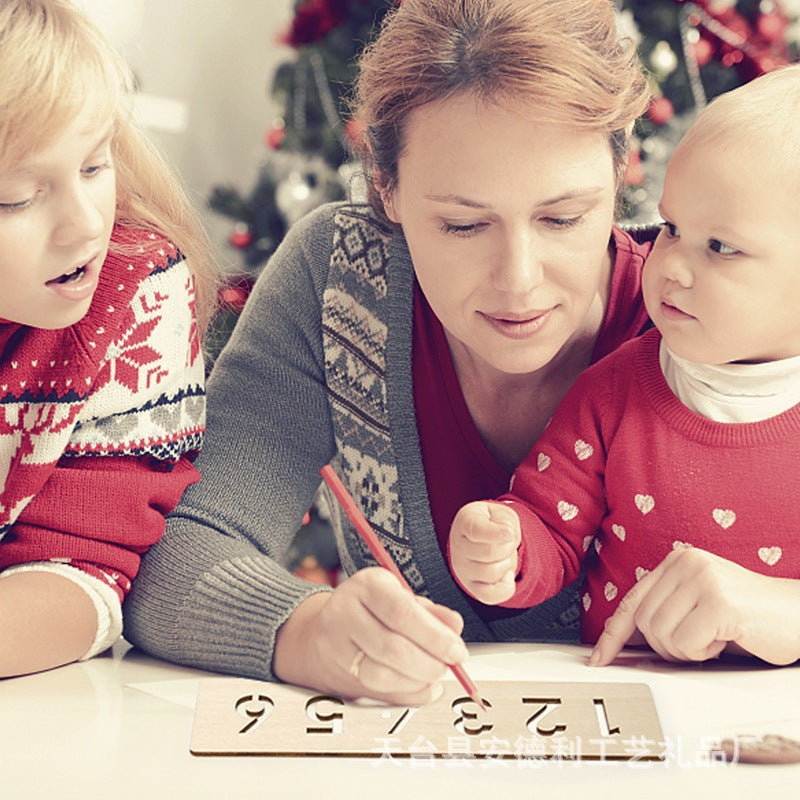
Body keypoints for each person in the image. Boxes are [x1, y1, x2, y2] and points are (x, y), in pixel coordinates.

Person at [124, 0, 653, 705]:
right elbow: (178, 544)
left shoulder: (692, 301)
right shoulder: (339, 279)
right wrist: (302, 629)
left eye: (563, 217)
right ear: (387, 189)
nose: (519, 279)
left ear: (622, 174)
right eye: (464, 225)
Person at [449, 65, 800, 670]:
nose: (673, 268)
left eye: (721, 247)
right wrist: (504, 545)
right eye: (672, 229)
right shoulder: (616, 387)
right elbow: (551, 525)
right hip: (628, 701)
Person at [0, 0, 218, 677]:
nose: (83, 225)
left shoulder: (136, 293)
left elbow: (84, 570)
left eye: (96, 166)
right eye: (15, 198)